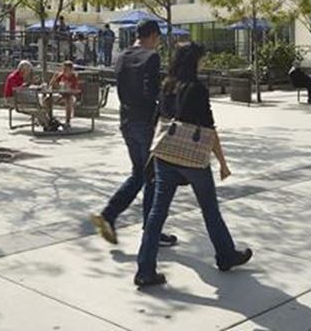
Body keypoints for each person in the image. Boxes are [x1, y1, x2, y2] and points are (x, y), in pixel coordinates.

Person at [135, 42, 252, 287]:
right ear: (194, 62)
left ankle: (145, 269)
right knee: (209, 208)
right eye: (201, 59)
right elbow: (209, 130)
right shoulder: (197, 89)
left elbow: (160, 119)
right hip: (191, 158)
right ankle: (226, 254)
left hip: (165, 155)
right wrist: (222, 162)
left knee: (157, 213)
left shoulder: (167, 85)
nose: (203, 63)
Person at [90, 19, 174, 248]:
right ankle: (151, 232)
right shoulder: (151, 57)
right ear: (153, 35)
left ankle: (108, 215)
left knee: (140, 174)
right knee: (153, 178)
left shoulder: (121, 57)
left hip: (126, 121)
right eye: (158, 39)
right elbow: (151, 92)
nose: (158, 44)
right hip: (145, 123)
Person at [47, 60, 82, 129]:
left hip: (71, 96)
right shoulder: (61, 75)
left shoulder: (74, 77)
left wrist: (69, 88)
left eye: (67, 69)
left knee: (68, 101)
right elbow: (51, 85)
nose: (64, 71)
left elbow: (76, 90)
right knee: (47, 100)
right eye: (63, 69)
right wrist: (54, 79)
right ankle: (49, 119)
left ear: (71, 70)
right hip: (60, 95)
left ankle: (67, 122)